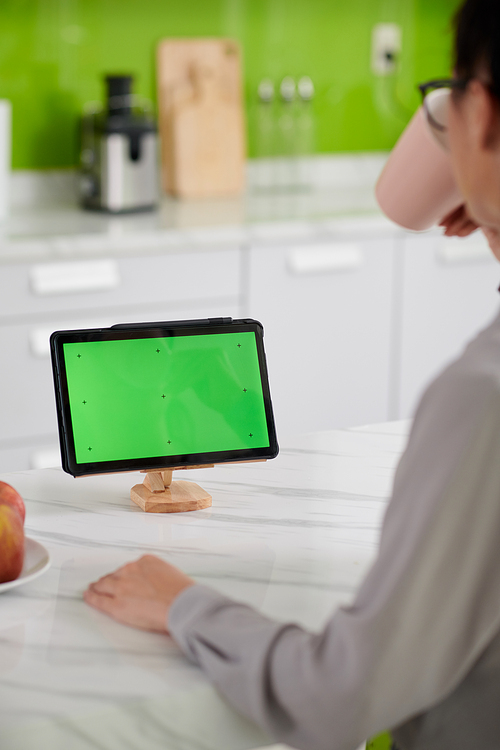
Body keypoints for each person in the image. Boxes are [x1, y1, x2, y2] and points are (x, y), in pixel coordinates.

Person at [84, 1, 500, 747]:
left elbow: (343, 697)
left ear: (485, 116)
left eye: (450, 97)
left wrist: (185, 605)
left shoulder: (481, 400)